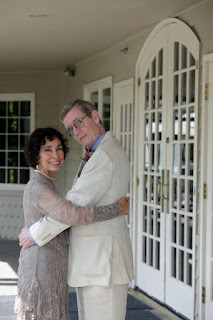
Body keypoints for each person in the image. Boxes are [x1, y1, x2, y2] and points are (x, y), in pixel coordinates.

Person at [19, 100, 135, 320]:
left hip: (103, 263)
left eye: (78, 123)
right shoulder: (98, 151)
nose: (75, 131)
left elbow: (73, 208)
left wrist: (35, 233)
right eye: (70, 129)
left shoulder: (104, 155)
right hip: (94, 263)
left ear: (95, 116)